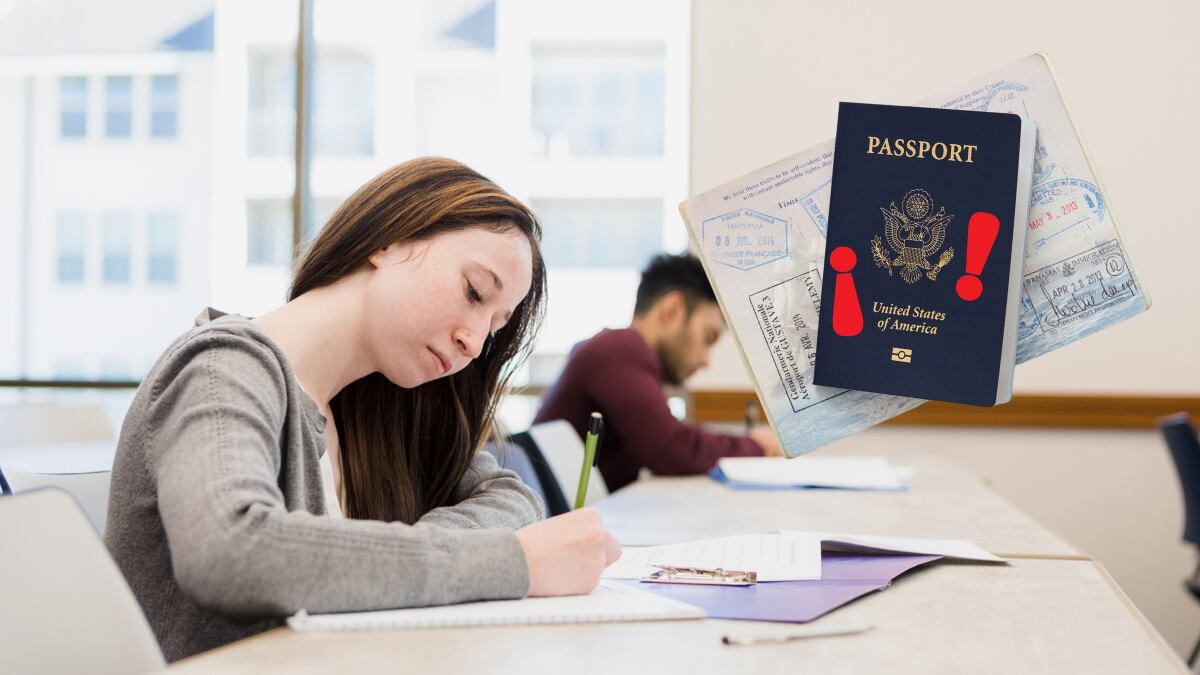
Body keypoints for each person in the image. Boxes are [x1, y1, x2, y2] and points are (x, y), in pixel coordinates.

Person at [104, 158, 621, 662]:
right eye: (473, 291)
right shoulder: (222, 367)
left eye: (495, 328)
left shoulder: (378, 400)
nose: (473, 341)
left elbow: (512, 498)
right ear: (388, 239)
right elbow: (230, 552)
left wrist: (388, 562)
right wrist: (513, 562)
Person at [534, 253, 784, 492]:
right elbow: (671, 448)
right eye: (707, 338)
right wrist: (756, 444)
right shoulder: (620, 348)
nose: (706, 360)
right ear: (671, 310)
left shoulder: (619, 352)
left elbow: (672, 437)